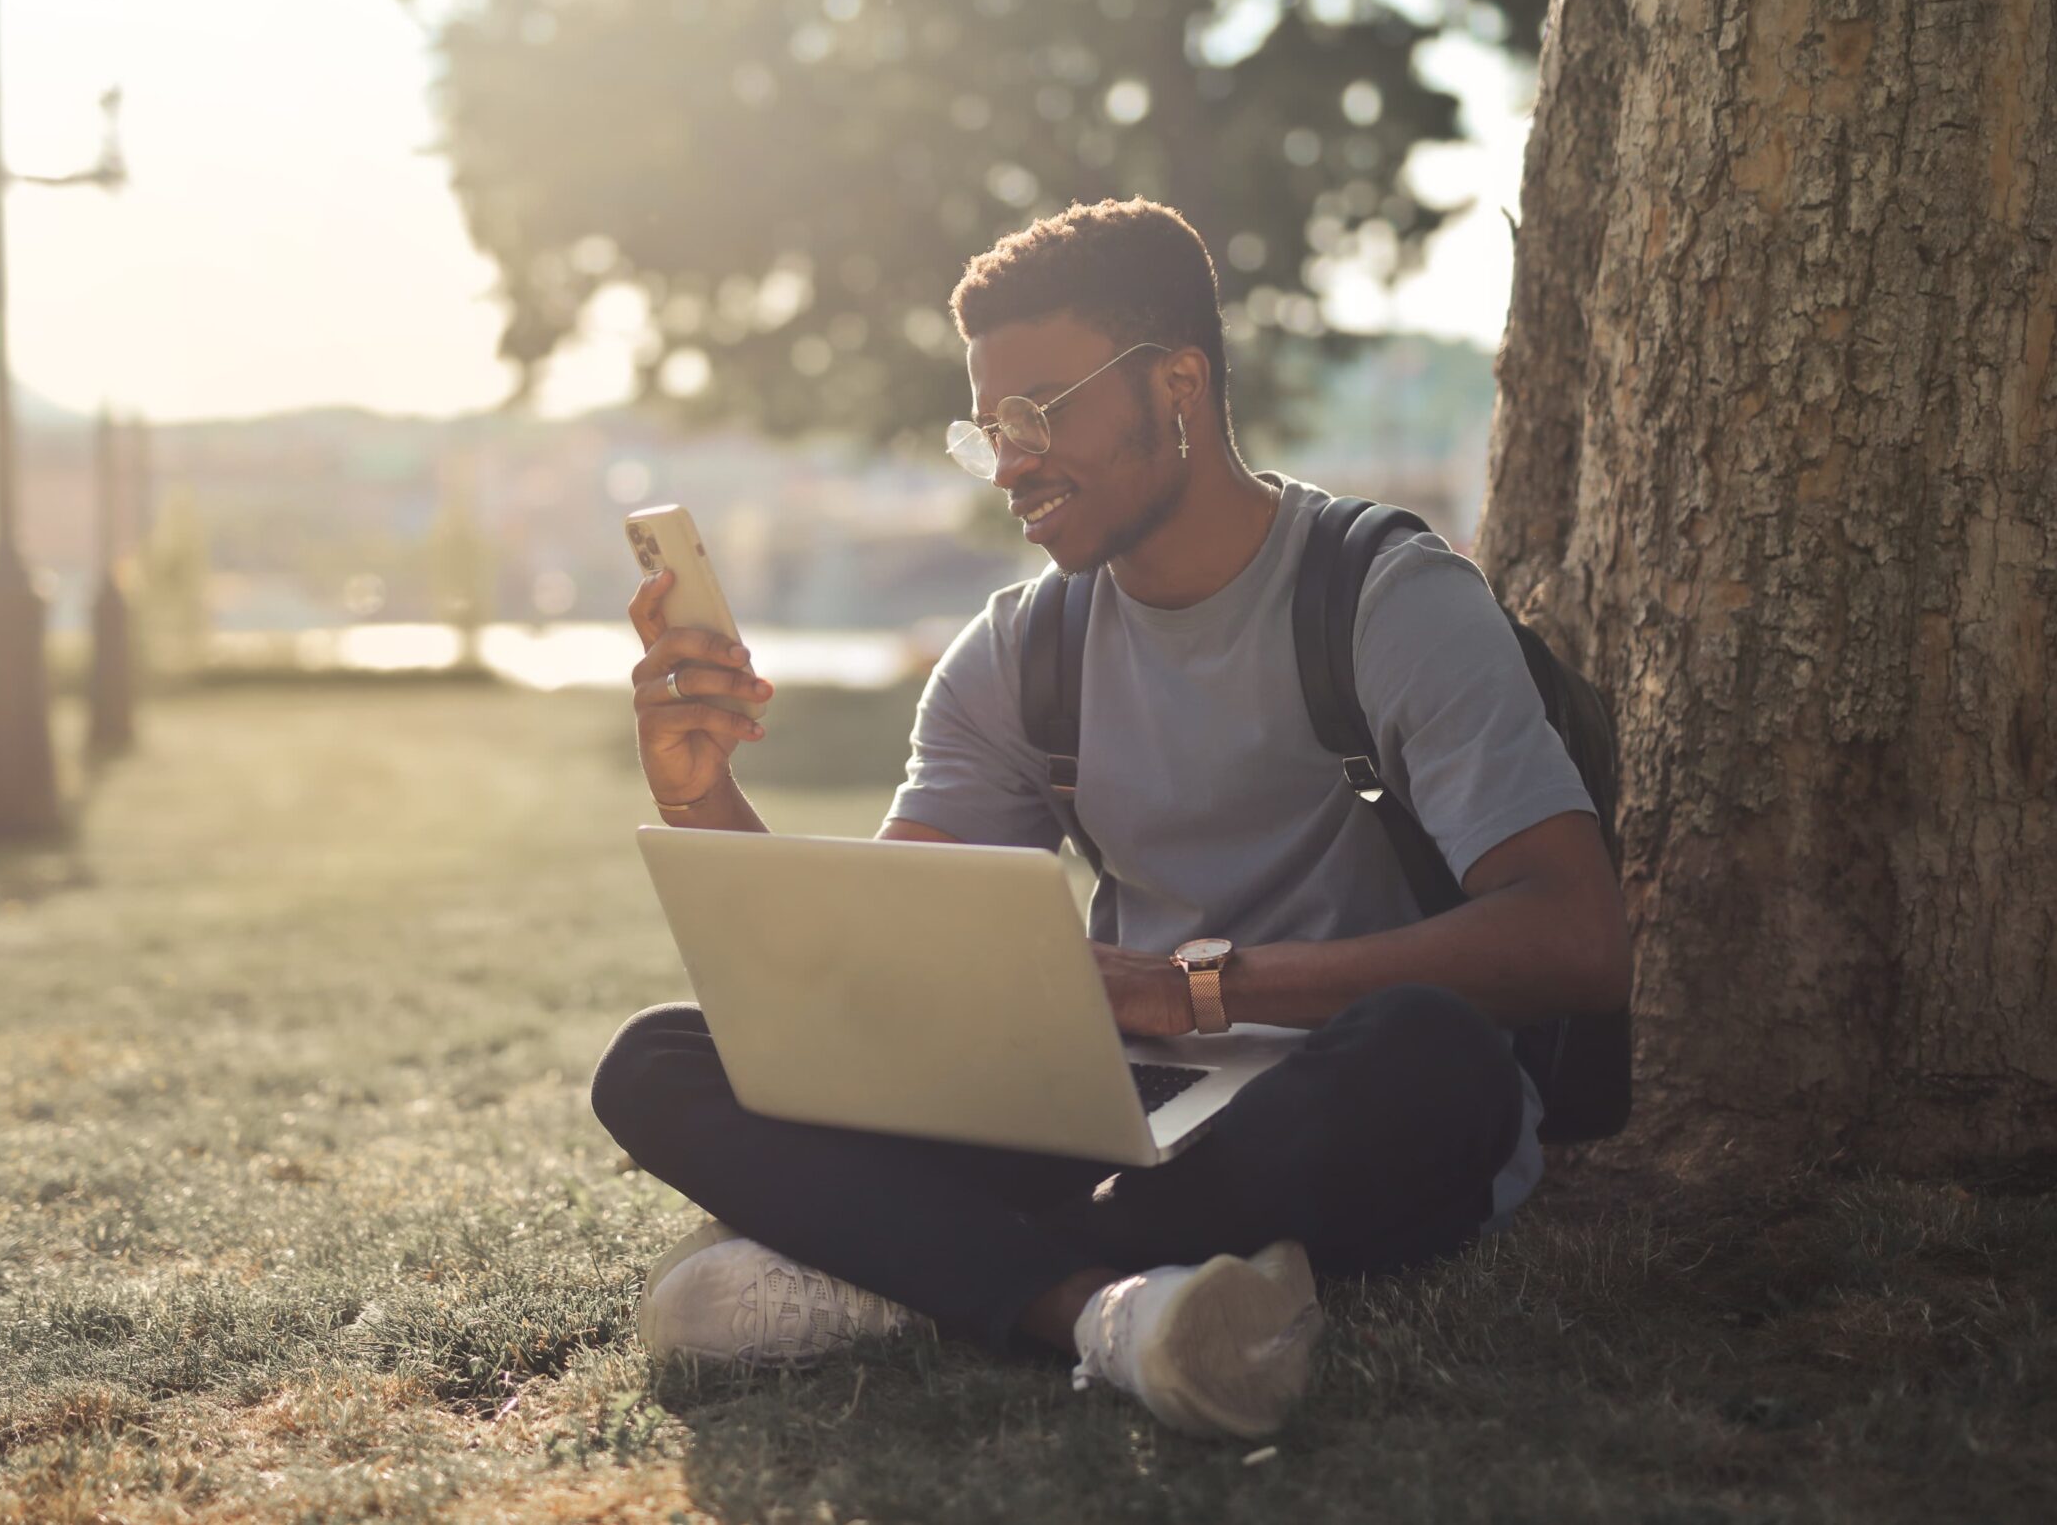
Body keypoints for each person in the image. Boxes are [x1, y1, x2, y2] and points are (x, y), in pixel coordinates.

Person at [593, 199, 1631, 1440]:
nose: (1010, 462)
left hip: (1332, 1090)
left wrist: (1196, 991)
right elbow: (872, 974)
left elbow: (1574, 938)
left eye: (1039, 412)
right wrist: (700, 789)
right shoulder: (1018, 651)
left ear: (1177, 384)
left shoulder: (1389, 599)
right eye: (989, 429)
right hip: (1104, 1109)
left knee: (1434, 1054)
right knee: (657, 1059)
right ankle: (1098, 1305)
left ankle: (894, 1269)